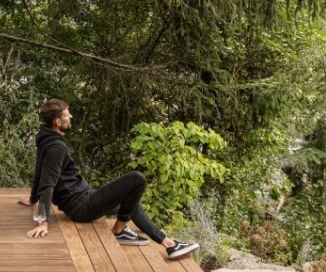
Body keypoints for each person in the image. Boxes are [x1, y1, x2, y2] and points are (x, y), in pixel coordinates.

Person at [19, 98, 199, 260]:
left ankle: (169, 243)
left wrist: (33, 198)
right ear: (58, 122)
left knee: (131, 202)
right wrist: (43, 222)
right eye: (67, 115)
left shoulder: (46, 139)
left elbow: (39, 170)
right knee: (137, 179)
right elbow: (47, 182)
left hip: (84, 197)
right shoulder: (55, 147)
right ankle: (120, 230)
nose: (71, 116)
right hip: (81, 206)